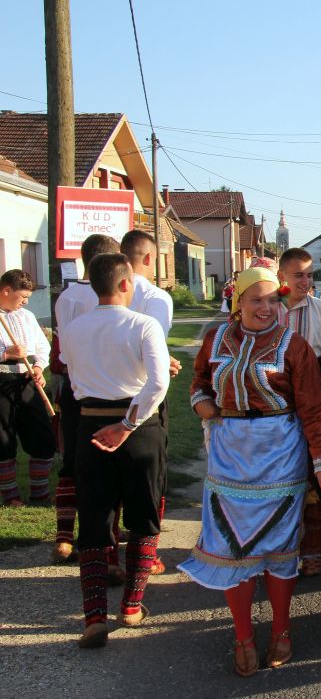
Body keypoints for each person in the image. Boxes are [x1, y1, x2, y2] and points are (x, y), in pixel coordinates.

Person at [180, 267, 321, 676]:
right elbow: (199, 381)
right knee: (233, 547)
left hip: (279, 452)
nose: (267, 307)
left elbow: (313, 407)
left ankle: (282, 630)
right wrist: (202, 404)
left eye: (273, 300)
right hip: (228, 451)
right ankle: (243, 636)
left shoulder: (294, 345)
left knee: (279, 547)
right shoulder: (216, 338)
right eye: (257, 299)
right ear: (239, 303)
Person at [61, 253, 170, 649]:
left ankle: (94, 616)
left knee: (94, 518)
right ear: (126, 284)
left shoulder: (73, 328)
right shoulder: (143, 324)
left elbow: (74, 378)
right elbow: (157, 384)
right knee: (143, 514)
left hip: (90, 425)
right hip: (136, 427)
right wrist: (126, 425)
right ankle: (131, 606)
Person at [51, 234, 121, 563]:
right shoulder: (104, 296)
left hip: (74, 383)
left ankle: (65, 536)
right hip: (103, 387)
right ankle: (98, 540)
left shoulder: (66, 297)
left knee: (73, 463)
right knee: (105, 465)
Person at [278, 247, 321, 578]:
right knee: (279, 479)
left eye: (309, 274)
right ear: (281, 277)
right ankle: (280, 550)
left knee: (315, 478)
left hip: (315, 400)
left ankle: (312, 550)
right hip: (274, 405)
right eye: (298, 275)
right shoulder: (268, 308)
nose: (306, 281)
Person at [121, 230, 181, 575]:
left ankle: (110, 547)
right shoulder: (156, 297)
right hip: (143, 395)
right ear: (148, 258)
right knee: (148, 475)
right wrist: (165, 362)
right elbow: (153, 350)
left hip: (97, 397)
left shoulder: (79, 295)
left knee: (106, 478)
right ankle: (146, 556)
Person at [0, 270, 55, 508]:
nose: (25, 302)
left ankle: (40, 493)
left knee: (43, 436)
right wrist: (6, 354)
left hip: (27, 381)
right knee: (3, 439)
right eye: (22, 297)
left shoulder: (27, 316)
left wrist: (39, 367)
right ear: (6, 291)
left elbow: (42, 347)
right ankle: (11, 496)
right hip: (1, 380)